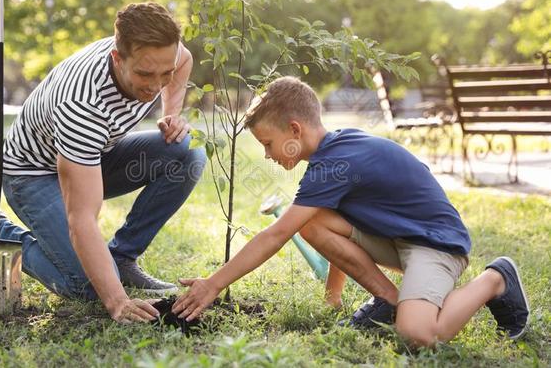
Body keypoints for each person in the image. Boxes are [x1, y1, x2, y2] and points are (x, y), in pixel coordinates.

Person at [171, 76, 529, 348]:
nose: (267, 154)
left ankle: (495, 279)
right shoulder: (333, 150)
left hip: (436, 246)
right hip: (399, 239)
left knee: (418, 334)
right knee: (312, 222)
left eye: (268, 143)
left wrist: (214, 284)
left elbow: (276, 234)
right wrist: (333, 299)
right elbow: (329, 230)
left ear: (295, 129)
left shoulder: (334, 163)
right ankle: (390, 300)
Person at [0, 2, 207, 323]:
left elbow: (184, 60)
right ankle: (0, 232)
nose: (155, 85)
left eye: (164, 74)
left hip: (93, 154)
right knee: (87, 286)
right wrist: (117, 301)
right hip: (33, 174)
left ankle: (122, 257)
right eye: (144, 74)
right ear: (118, 57)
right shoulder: (83, 105)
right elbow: (81, 218)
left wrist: (172, 115)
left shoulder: (164, 54)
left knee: (188, 151)